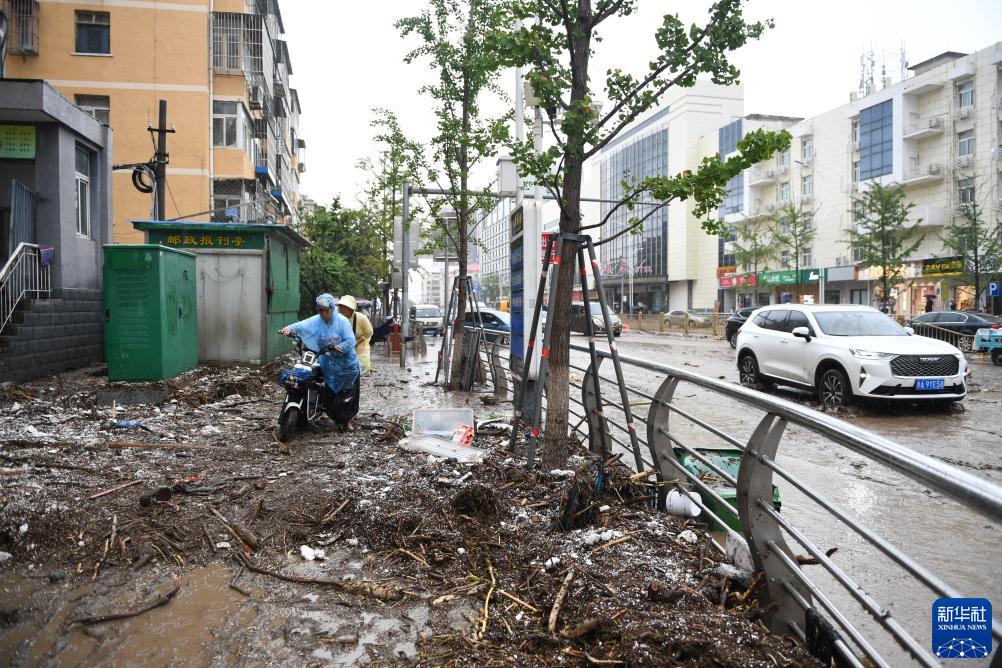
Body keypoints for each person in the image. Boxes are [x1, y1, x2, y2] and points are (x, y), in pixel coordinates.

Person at [280, 293, 360, 431]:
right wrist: (289, 329)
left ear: (332, 309)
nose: (323, 313)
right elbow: (300, 326)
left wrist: (338, 347)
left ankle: (347, 422)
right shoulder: (316, 320)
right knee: (329, 392)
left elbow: (351, 341)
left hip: (346, 365)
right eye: (320, 310)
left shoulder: (342, 321)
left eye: (326, 310)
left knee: (348, 395)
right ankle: (314, 413)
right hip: (328, 362)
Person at [337, 295, 373, 373]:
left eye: (345, 306)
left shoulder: (362, 318)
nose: (342, 309)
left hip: (360, 348)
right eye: (340, 306)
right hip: (342, 347)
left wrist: (356, 342)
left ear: (351, 308)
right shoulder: (336, 319)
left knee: (357, 370)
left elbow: (369, 332)